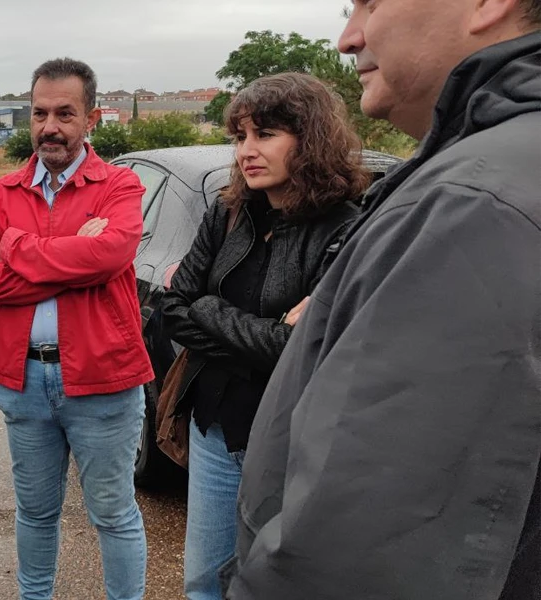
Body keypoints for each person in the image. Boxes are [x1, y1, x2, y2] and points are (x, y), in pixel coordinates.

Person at [227, 2, 541, 598]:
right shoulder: (485, 178)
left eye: (370, 2)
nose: (348, 39)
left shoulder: (471, 204)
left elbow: (369, 547)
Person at [159, 72, 368, 600]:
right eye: (239, 136)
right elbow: (173, 309)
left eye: (265, 134)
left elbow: (306, 350)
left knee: (280, 587)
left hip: (291, 444)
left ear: (310, 138)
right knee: (204, 584)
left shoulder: (346, 228)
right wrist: (250, 328)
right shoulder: (227, 212)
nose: (247, 151)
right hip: (214, 431)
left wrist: (209, 310)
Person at [0, 57, 154, 600]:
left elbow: (111, 253)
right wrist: (75, 264)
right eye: (40, 113)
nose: (51, 126)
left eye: (65, 113)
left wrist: (18, 249)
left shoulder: (120, 186)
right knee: (35, 511)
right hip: (23, 380)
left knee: (113, 512)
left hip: (102, 379)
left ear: (91, 118)